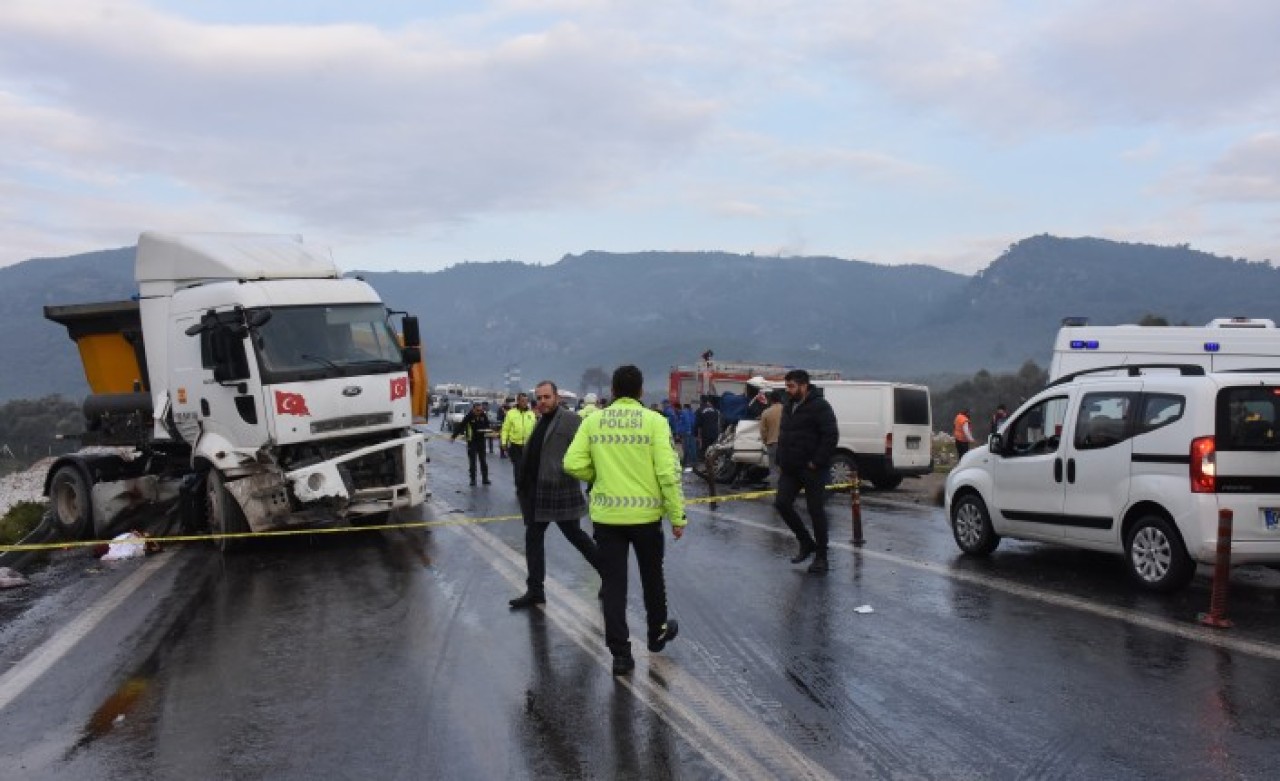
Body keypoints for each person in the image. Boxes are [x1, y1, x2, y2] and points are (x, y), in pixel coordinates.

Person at [564, 365, 685, 676]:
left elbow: (572, 463)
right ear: (642, 391)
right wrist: (677, 515)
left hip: (607, 517)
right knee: (652, 577)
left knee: (614, 585)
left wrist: (598, 475)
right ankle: (657, 633)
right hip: (646, 518)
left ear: (613, 392)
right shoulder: (655, 422)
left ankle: (620, 654)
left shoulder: (594, 421)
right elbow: (667, 473)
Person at [509, 381, 600, 609]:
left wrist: (582, 475)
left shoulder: (570, 420)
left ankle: (610, 575)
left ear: (556, 397)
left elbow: (588, 450)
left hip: (559, 489)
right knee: (533, 538)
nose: (542, 402)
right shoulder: (540, 420)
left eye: (546, 397)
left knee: (576, 536)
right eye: (538, 398)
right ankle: (535, 590)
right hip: (536, 492)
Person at [774, 369, 838, 574]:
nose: (788, 390)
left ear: (804, 385)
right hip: (790, 467)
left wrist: (816, 462)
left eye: (792, 386)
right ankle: (805, 542)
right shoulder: (788, 405)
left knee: (815, 510)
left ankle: (821, 556)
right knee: (782, 503)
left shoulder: (820, 406)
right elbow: (784, 434)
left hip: (812, 468)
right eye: (787, 386)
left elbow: (831, 436)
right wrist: (780, 459)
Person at [451, 401, 492, 485]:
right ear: (473, 409)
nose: (479, 412)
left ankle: (485, 478)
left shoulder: (483, 415)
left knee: (483, 461)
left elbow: (488, 426)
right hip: (472, 441)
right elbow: (461, 426)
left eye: (480, 410)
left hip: (481, 441)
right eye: (477, 410)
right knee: (472, 462)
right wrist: (454, 436)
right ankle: (473, 479)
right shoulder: (469, 416)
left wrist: (487, 430)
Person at [501, 392, 537, 486]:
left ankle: (527, 486)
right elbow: (505, 429)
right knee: (518, 467)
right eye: (522, 401)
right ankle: (519, 487)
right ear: (518, 401)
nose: (525, 403)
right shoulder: (511, 413)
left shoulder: (531, 414)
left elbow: (535, 429)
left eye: (526, 401)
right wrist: (504, 443)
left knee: (528, 468)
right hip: (515, 446)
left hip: (528, 446)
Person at [759, 389, 783, 483]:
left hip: (772, 443)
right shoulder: (787, 410)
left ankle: (775, 490)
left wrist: (766, 441)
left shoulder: (766, 412)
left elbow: (763, 431)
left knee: (773, 469)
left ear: (770, 400)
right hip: (786, 444)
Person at [695, 397, 721, 462]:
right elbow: (718, 422)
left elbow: (698, 424)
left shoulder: (699, 410)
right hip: (715, 432)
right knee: (713, 447)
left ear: (701, 401)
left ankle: (705, 460)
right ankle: (713, 460)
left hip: (705, 432)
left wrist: (698, 435)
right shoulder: (716, 410)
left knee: (705, 447)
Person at [679, 403, 698, 469]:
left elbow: (686, 421)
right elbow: (694, 422)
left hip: (687, 432)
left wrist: (688, 430)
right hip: (692, 432)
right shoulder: (692, 412)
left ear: (684, 407)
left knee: (687, 447)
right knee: (692, 446)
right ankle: (693, 461)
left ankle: (688, 462)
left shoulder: (684, 412)